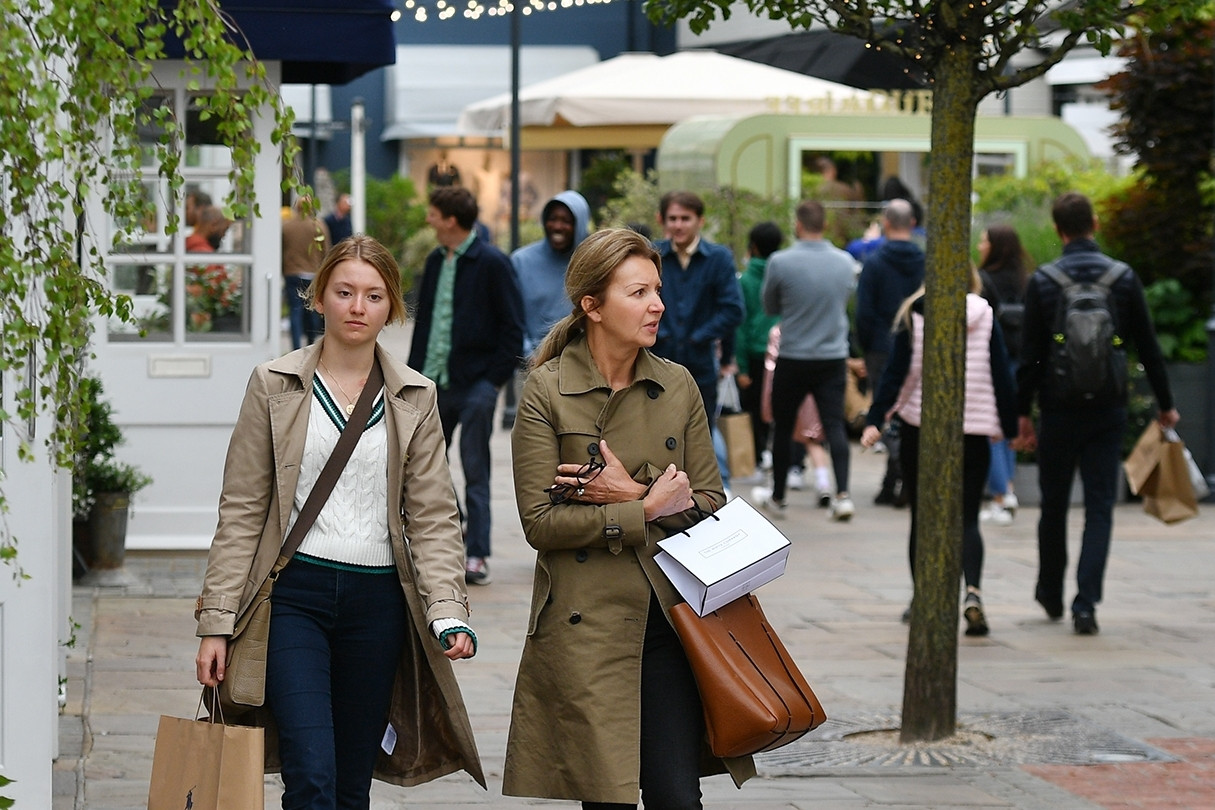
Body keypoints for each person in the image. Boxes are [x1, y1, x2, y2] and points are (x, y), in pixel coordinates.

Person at [194, 235, 484, 807]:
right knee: (311, 773)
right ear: (319, 296)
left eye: (374, 296)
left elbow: (432, 516)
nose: (358, 307)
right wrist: (216, 620)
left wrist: (448, 609)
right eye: (344, 291)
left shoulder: (414, 396)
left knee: (351, 784)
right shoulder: (274, 385)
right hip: (292, 595)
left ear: (392, 306)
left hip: (376, 605)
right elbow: (242, 510)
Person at [504, 228, 755, 808]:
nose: (658, 305)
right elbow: (539, 523)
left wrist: (623, 492)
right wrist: (642, 508)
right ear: (592, 306)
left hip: (670, 622)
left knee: (676, 797)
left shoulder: (677, 386)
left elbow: (713, 506)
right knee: (607, 800)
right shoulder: (547, 390)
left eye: (657, 290)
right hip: (583, 626)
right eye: (638, 292)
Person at [1014, 192, 1178, 636]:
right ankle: (1086, 603)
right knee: (1100, 506)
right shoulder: (1122, 278)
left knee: (1054, 504)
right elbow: (1147, 346)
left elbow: (1030, 357)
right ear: (1096, 224)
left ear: (1057, 229)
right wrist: (1165, 405)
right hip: (1108, 407)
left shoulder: (1044, 281)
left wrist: (1021, 415)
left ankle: (1050, 592)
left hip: (1057, 406)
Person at [861, 273, 1018, 635]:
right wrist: (1008, 427)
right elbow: (1000, 373)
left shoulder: (916, 313)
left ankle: (922, 598)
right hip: (974, 430)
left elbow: (899, 373)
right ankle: (973, 593)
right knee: (967, 518)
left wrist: (877, 417)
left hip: (923, 427)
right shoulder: (986, 314)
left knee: (923, 514)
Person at [408, 186, 523, 586]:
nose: (429, 219)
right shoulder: (436, 261)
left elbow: (513, 329)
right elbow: (424, 326)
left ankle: (477, 553)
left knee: (476, 468)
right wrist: (410, 377)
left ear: (451, 219)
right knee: (425, 467)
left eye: (434, 213)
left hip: (476, 386)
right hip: (433, 385)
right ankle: (451, 541)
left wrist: (491, 384)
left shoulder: (493, 263)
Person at [760, 200, 857, 520]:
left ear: (798, 225)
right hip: (832, 355)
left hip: (794, 354)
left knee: (785, 426)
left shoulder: (781, 262)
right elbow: (845, 298)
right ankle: (842, 495)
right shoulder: (845, 262)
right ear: (824, 225)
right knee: (834, 425)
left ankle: (778, 496)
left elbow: (770, 305)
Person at [651, 190, 745, 423]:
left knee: (699, 436)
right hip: (657, 361)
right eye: (673, 219)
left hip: (700, 364)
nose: (678, 225)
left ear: (700, 221)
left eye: (685, 218)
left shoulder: (718, 258)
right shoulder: (653, 254)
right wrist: (659, 333)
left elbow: (733, 310)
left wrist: (700, 336)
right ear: (662, 220)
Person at [855, 198, 925, 506]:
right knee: (910, 411)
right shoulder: (926, 261)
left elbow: (864, 312)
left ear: (885, 223)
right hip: (921, 344)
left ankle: (901, 475)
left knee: (886, 411)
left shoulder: (876, 261)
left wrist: (866, 347)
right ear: (912, 223)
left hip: (883, 345)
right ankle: (894, 482)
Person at [504, 189, 592, 428]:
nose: (557, 226)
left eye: (566, 220)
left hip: (585, 368)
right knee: (534, 438)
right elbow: (511, 316)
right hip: (532, 367)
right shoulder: (522, 261)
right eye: (552, 218)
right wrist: (528, 354)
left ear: (580, 222)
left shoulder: (593, 261)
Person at [977, 224, 1030, 525]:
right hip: (1020, 363)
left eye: (984, 241)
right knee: (1009, 428)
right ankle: (1007, 488)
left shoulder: (984, 281)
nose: (980, 246)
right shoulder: (1026, 280)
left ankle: (1002, 493)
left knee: (990, 428)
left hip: (994, 361)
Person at [734, 221, 783, 473]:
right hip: (783, 350)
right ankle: (784, 458)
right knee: (781, 407)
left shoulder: (744, 281)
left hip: (754, 353)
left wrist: (740, 366)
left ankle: (758, 455)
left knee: (753, 409)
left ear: (752, 246)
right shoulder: (784, 274)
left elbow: (739, 327)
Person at [282, 197, 332, 350]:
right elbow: (327, 252)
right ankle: (311, 344)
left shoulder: (287, 227)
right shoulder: (319, 227)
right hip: (313, 274)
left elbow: (281, 250)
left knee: (295, 312)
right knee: (312, 311)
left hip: (292, 272)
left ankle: (296, 347)